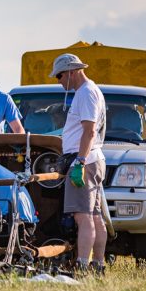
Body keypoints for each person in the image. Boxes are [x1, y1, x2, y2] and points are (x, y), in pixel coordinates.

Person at [50, 53, 107, 273]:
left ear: (71, 71)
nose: (59, 81)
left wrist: (79, 162)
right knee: (94, 215)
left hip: (84, 159)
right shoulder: (90, 91)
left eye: (60, 75)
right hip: (93, 158)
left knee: (82, 217)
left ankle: (82, 265)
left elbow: (89, 130)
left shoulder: (85, 93)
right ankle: (98, 265)